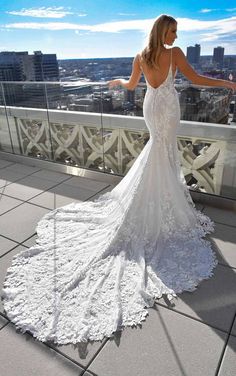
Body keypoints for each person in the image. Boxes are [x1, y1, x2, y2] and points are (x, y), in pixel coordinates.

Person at [1, 15, 235, 346]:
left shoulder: (142, 54)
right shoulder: (175, 53)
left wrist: (117, 82)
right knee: (163, 154)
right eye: (172, 30)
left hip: (152, 105)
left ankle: (155, 201)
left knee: (159, 152)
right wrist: (227, 84)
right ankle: (160, 204)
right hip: (167, 107)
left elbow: (130, 85)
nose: (176, 35)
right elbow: (195, 77)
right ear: (163, 31)